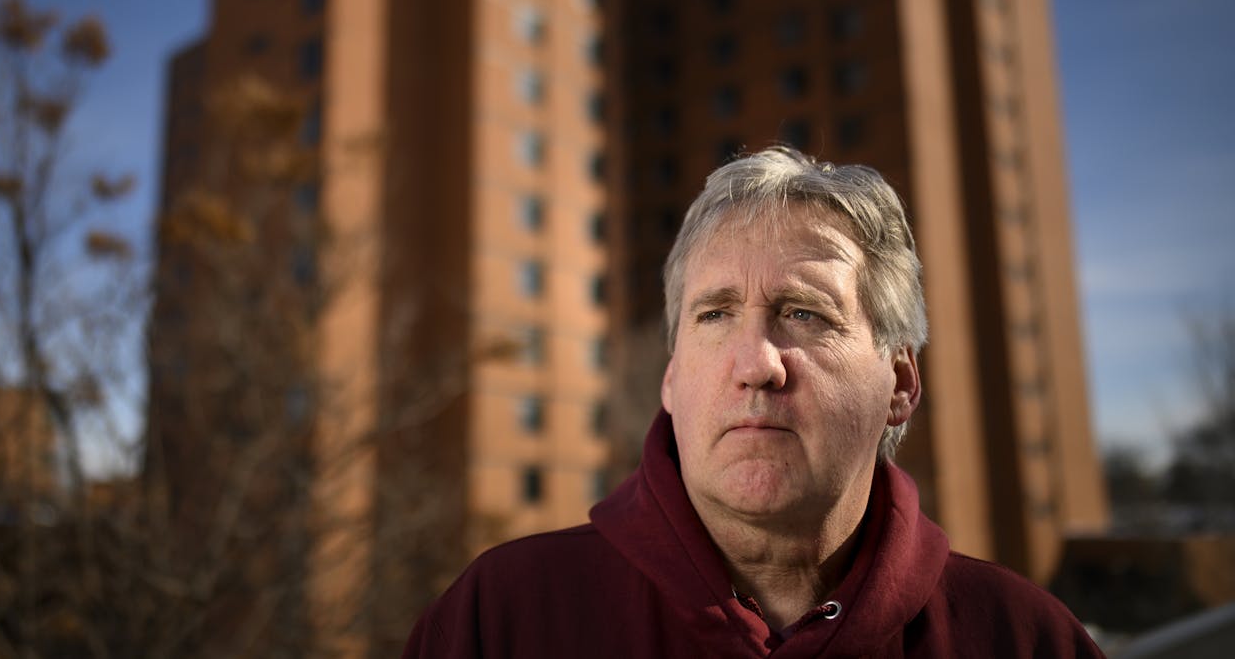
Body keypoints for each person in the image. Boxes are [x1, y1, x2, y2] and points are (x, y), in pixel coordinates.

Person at [403, 147, 1104, 657]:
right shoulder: (500, 621)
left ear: (899, 383)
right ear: (672, 378)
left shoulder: (1027, 639)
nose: (756, 364)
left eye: (803, 314)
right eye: (714, 315)